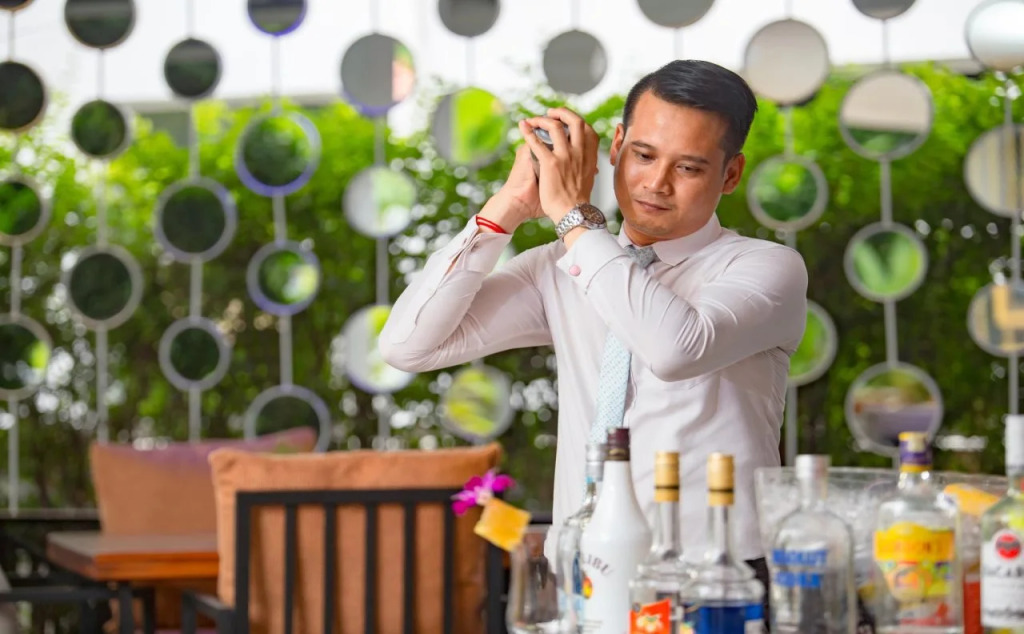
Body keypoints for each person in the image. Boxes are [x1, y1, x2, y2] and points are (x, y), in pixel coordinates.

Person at [379, 60, 808, 591]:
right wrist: (507, 207)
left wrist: (573, 216)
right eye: (644, 155)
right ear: (617, 146)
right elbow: (407, 346)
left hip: (713, 581)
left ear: (731, 175)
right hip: (583, 579)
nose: (656, 183)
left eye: (688, 168)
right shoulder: (560, 266)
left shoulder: (766, 267)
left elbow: (674, 349)